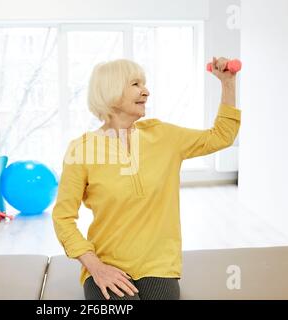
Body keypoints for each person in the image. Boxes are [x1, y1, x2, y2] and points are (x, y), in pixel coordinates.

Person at [52, 58, 241, 300]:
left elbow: (221, 136)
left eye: (144, 83)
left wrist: (228, 83)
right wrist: (96, 267)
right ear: (111, 90)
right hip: (107, 263)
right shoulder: (82, 149)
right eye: (135, 84)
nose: (146, 91)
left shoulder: (163, 136)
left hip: (159, 266)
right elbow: (63, 218)